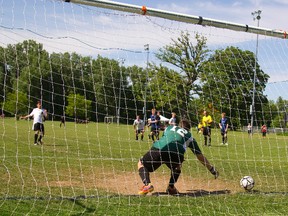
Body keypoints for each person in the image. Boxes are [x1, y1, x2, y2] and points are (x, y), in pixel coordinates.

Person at [137, 119, 219, 195]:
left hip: (160, 148)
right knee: (178, 165)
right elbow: (199, 156)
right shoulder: (190, 136)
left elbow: (165, 138)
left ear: (179, 125)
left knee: (141, 163)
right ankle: (171, 187)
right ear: (188, 129)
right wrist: (211, 169)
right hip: (177, 154)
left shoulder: (169, 128)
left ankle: (147, 184)